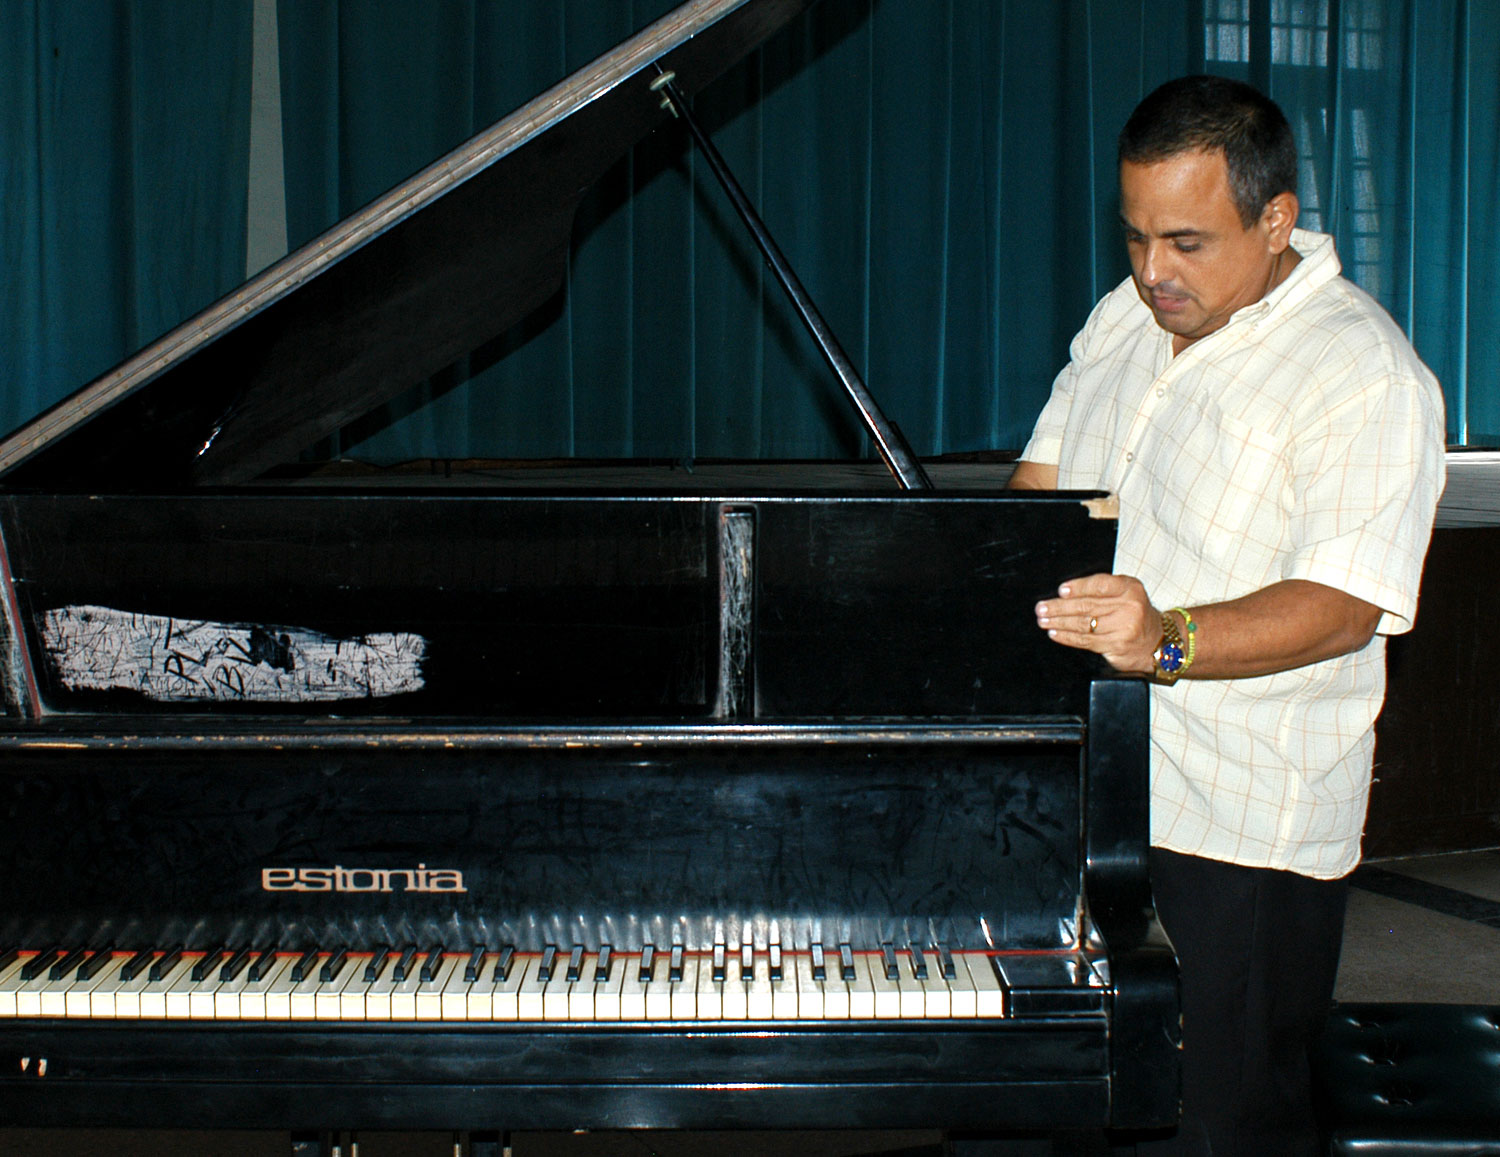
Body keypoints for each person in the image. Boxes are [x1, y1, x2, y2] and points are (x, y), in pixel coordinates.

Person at [1008, 75, 1446, 1156]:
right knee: (1055, 1101)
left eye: (1188, 242)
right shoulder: (1127, 316)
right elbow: (1041, 489)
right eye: (1137, 236)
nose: (1154, 271)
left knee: (1215, 1125)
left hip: (1241, 829)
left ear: (1277, 219)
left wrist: (1166, 635)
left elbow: (1346, 603)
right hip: (1083, 786)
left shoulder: (1364, 373)